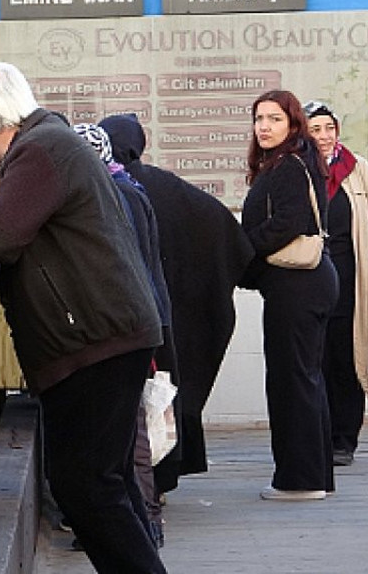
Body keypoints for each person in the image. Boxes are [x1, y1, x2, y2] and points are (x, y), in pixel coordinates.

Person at [0, 63, 166, 573]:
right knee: (105, 481)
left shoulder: (40, 150)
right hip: (108, 332)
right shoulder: (51, 142)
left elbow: (0, 236)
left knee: (84, 485)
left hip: (94, 340)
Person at [100, 113, 254, 489]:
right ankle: (164, 476)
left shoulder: (109, 188)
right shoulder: (167, 186)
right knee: (169, 390)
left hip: (131, 313)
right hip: (177, 310)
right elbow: (223, 229)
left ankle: (140, 480)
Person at [75, 122, 174, 549]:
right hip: (140, 321)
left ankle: (144, 522)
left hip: (122, 326)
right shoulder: (130, 189)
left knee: (125, 433)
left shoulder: (113, 196)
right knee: (127, 431)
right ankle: (145, 521)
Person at [239, 89, 338, 501]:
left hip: (297, 284)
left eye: (275, 119)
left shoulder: (288, 165)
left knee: (291, 382)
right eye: (259, 119)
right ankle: (315, 475)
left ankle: (299, 480)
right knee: (305, 379)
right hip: (308, 283)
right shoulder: (295, 161)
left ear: (293, 124)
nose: (264, 127)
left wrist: (240, 248)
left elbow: (288, 222)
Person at [303, 101, 368, 467]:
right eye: (315, 130)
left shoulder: (358, 170)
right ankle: (316, 437)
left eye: (329, 128)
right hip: (309, 281)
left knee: (348, 359)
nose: (324, 136)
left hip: (351, 283)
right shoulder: (296, 171)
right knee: (314, 360)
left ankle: (344, 439)